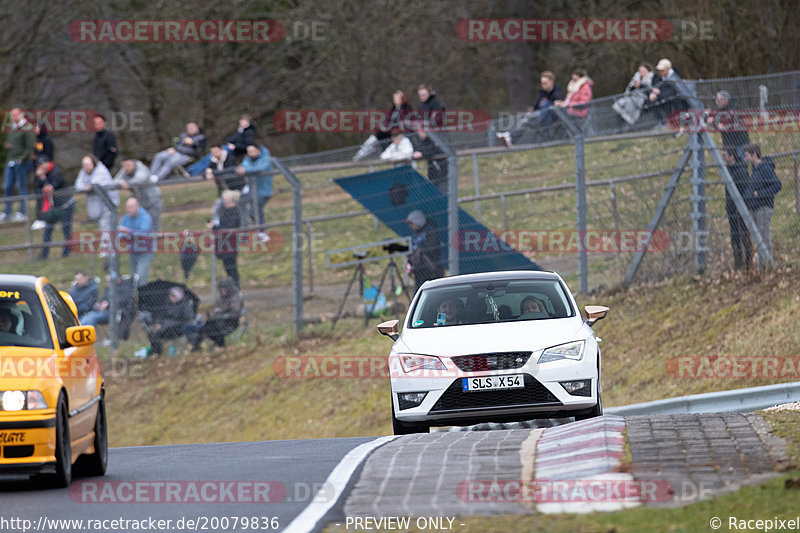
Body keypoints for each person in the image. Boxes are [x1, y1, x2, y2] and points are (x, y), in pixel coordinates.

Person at [497, 71, 564, 146]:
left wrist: (558, 103)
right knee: (525, 120)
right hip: (538, 117)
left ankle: (509, 136)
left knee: (545, 106)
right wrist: (529, 112)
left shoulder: (557, 91)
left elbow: (559, 105)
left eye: (545, 83)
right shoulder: (542, 93)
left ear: (551, 82)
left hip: (551, 118)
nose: (543, 85)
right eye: (542, 83)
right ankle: (510, 138)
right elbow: (535, 107)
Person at [743, 144, 782, 267]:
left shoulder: (765, 169)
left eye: (747, 155)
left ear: (754, 154)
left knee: (764, 237)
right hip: (754, 208)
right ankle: (763, 264)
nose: (745, 158)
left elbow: (777, 185)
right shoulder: (754, 170)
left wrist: (760, 194)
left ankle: (769, 264)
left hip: (763, 208)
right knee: (757, 238)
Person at [353, 90, 414, 161]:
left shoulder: (407, 109)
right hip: (388, 132)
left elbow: (406, 123)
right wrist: (384, 128)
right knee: (372, 139)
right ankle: (358, 157)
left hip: (398, 133)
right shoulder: (392, 110)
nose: (395, 100)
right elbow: (386, 121)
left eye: (397, 98)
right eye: (394, 99)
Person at [34, 157, 75, 259]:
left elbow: (50, 188)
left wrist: (43, 178)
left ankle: (66, 254)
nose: (40, 168)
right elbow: (38, 190)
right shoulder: (42, 175)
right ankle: (44, 255)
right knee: (48, 229)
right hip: (54, 207)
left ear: (47, 163)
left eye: (42, 165)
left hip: (66, 206)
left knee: (66, 229)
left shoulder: (56, 171)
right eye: (39, 166)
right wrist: (40, 178)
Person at [2, 107, 35, 222]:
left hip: (22, 162)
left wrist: (22, 158)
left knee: (21, 187)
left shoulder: (27, 128)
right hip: (10, 161)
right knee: (7, 186)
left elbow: (30, 147)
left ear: (21, 115)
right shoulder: (12, 127)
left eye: (15, 115)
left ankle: (22, 212)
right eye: (11, 116)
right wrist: (9, 146)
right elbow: (13, 143)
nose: (13, 118)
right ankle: (7, 213)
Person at [721, 149, 752, 270]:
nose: (723, 158)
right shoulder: (728, 170)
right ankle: (738, 262)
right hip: (731, 208)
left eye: (724, 155)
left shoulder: (741, 171)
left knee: (744, 234)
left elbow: (745, 190)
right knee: (734, 235)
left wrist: (742, 206)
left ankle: (748, 261)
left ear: (731, 156)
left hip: (740, 209)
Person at [192, 277, 243, 350]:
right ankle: (196, 347)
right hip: (217, 321)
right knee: (203, 328)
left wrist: (223, 315)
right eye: (221, 289)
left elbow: (235, 313)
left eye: (224, 288)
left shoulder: (235, 298)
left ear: (229, 288)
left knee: (212, 329)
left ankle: (221, 346)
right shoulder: (221, 298)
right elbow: (216, 310)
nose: (222, 291)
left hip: (229, 323)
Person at [113, 158, 163, 231]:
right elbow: (115, 181)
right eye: (124, 166)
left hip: (153, 201)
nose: (125, 168)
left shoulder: (142, 169)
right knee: (140, 226)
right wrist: (121, 183)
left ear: (133, 164)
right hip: (140, 203)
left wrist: (128, 184)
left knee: (154, 225)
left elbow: (139, 180)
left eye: (128, 165)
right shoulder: (124, 170)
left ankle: (157, 241)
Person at [74, 154, 120, 234]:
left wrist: (89, 187)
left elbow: (95, 184)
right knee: (102, 230)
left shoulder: (101, 170)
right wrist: (86, 187)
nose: (86, 167)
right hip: (96, 206)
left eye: (88, 164)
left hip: (108, 205)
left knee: (106, 230)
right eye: (84, 165)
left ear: (93, 164)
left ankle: (109, 245)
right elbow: (78, 186)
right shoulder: (83, 172)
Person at [146, 286, 197, 356]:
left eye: (173, 296)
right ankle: (156, 350)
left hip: (177, 327)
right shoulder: (168, 303)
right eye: (170, 296)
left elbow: (188, 318)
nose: (171, 298)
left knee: (159, 331)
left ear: (178, 296)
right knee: (151, 333)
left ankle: (156, 352)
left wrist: (167, 324)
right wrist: (159, 323)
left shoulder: (184, 304)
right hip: (165, 325)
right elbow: (162, 315)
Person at [208, 190, 243, 288]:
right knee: (227, 268)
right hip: (223, 244)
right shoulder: (223, 211)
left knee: (232, 268)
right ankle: (233, 287)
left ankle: (236, 287)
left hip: (230, 244)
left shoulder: (235, 211)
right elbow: (221, 225)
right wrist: (214, 224)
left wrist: (215, 227)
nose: (226, 204)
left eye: (228, 201)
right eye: (225, 201)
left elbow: (228, 227)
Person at [405, 209, 444, 293]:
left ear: (418, 222)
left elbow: (431, 248)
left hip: (432, 271)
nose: (410, 226)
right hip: (419, 271)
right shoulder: (415, 235)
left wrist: (418, 251)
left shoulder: (430, 232)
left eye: (412, 223)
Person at [118, 198, 154, 286]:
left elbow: (143, 233)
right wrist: (127, 234)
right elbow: (119, 233)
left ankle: (143, 297)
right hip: (133, 251)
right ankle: (135, 297)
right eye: (127, 207)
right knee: (134, 278)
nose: (128, 210)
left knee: (140, 278)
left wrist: (128, 232)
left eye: (131, 207)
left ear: (137, 206)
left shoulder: (145, 217)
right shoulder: (126, 218)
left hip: (145, 252)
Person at [238, 144, 273, 228]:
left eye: (252, 151)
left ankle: (262, 230)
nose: (250, 153)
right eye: (248, 152)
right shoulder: (248, 159)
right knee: (257, 212)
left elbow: (260, 168)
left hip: (264, 191)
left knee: (254, 211)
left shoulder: (266, 159)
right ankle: (261, 230)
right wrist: (239, 169)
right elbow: (242, 167)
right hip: (252, 192)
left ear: (258, 151)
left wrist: (245, 170)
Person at [612, 62, 654, 128]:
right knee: (620, 105)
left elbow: (651, 90)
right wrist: (634, 86)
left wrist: (640, 85)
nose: (642, 72)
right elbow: (629, 90)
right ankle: (619, 128)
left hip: (643, 99)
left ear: (648, 70)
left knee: (630, 105)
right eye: (640, 71)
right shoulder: (636, 78)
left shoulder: (652, 78)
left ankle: (629, 124)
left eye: (644, 71)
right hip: (631, 97)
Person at [411, 123, 448, 194]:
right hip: (432, 171)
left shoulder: (434, 139)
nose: (421, 133)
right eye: (420, 131)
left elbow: (433, 151)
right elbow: (417, 150)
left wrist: (422, 154)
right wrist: (416, 153)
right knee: (434, 191)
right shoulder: (419, 140)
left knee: (442, 191)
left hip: (442, 169)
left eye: (423, 131)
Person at [710, 90, 751, 156]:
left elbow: (730, 117)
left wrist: (718, 120)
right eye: (716, 100)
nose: (717, 103)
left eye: (719, 100)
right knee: (730, 163)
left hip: (740, 141)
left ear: (725, 100)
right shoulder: (720, 109)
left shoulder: (735, 106)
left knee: (741, 162)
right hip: (728, 143)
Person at [554, 68, 594, 133]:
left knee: (561, 113)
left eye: (575, 78)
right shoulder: (572, 87)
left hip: (579, 110)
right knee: (556, 111)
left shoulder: (585, 87)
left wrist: (568, 105)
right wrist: (562, 103)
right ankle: (566, 134)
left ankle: (567, 134)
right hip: (570, 109)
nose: (573, 80)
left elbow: (584, 102)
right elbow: (568, 100)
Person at [648, 59, 687, 123]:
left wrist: (658, 93)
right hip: (664, 97)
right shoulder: (657, 76)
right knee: (654, 101)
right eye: (659, 70)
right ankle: (661, 122)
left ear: (668, 69)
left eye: (662, 70)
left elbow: (674, 90)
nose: (660, 72)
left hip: (677, 98)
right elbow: (655, 85)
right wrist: (654, 92)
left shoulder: (675, 77)